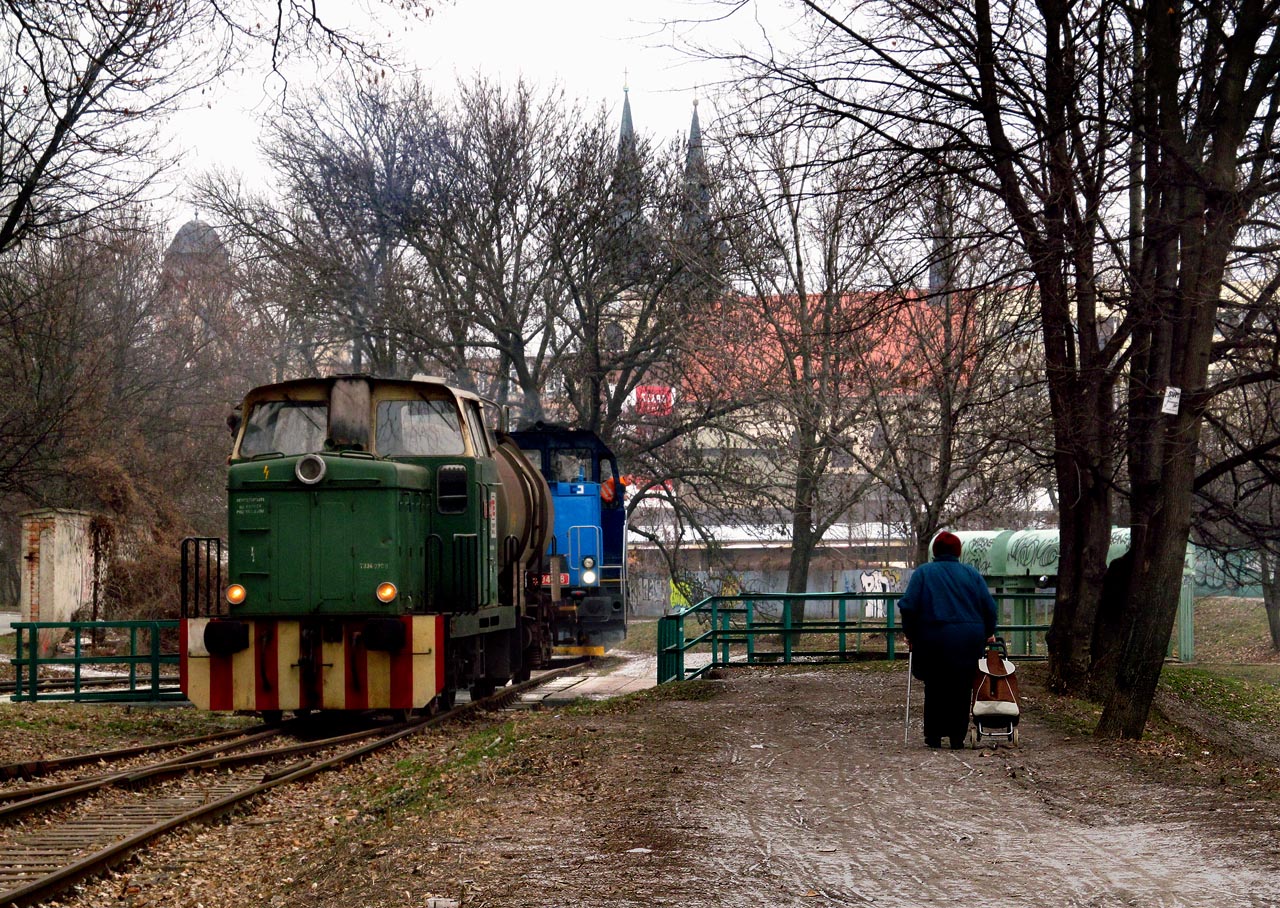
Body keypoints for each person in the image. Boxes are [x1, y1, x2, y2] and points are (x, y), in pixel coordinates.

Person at [897, 531, 998, 749]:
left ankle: (933, 735)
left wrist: (910, 634)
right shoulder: (971, 574)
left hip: (932, 637)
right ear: (958, 551)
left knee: (934, 685)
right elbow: (989, 607)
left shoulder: (923, 573)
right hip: (967, 639)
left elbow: (908, 606)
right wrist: (988, 632)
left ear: (935, 551)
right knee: (962, 686)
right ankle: (956, 736)